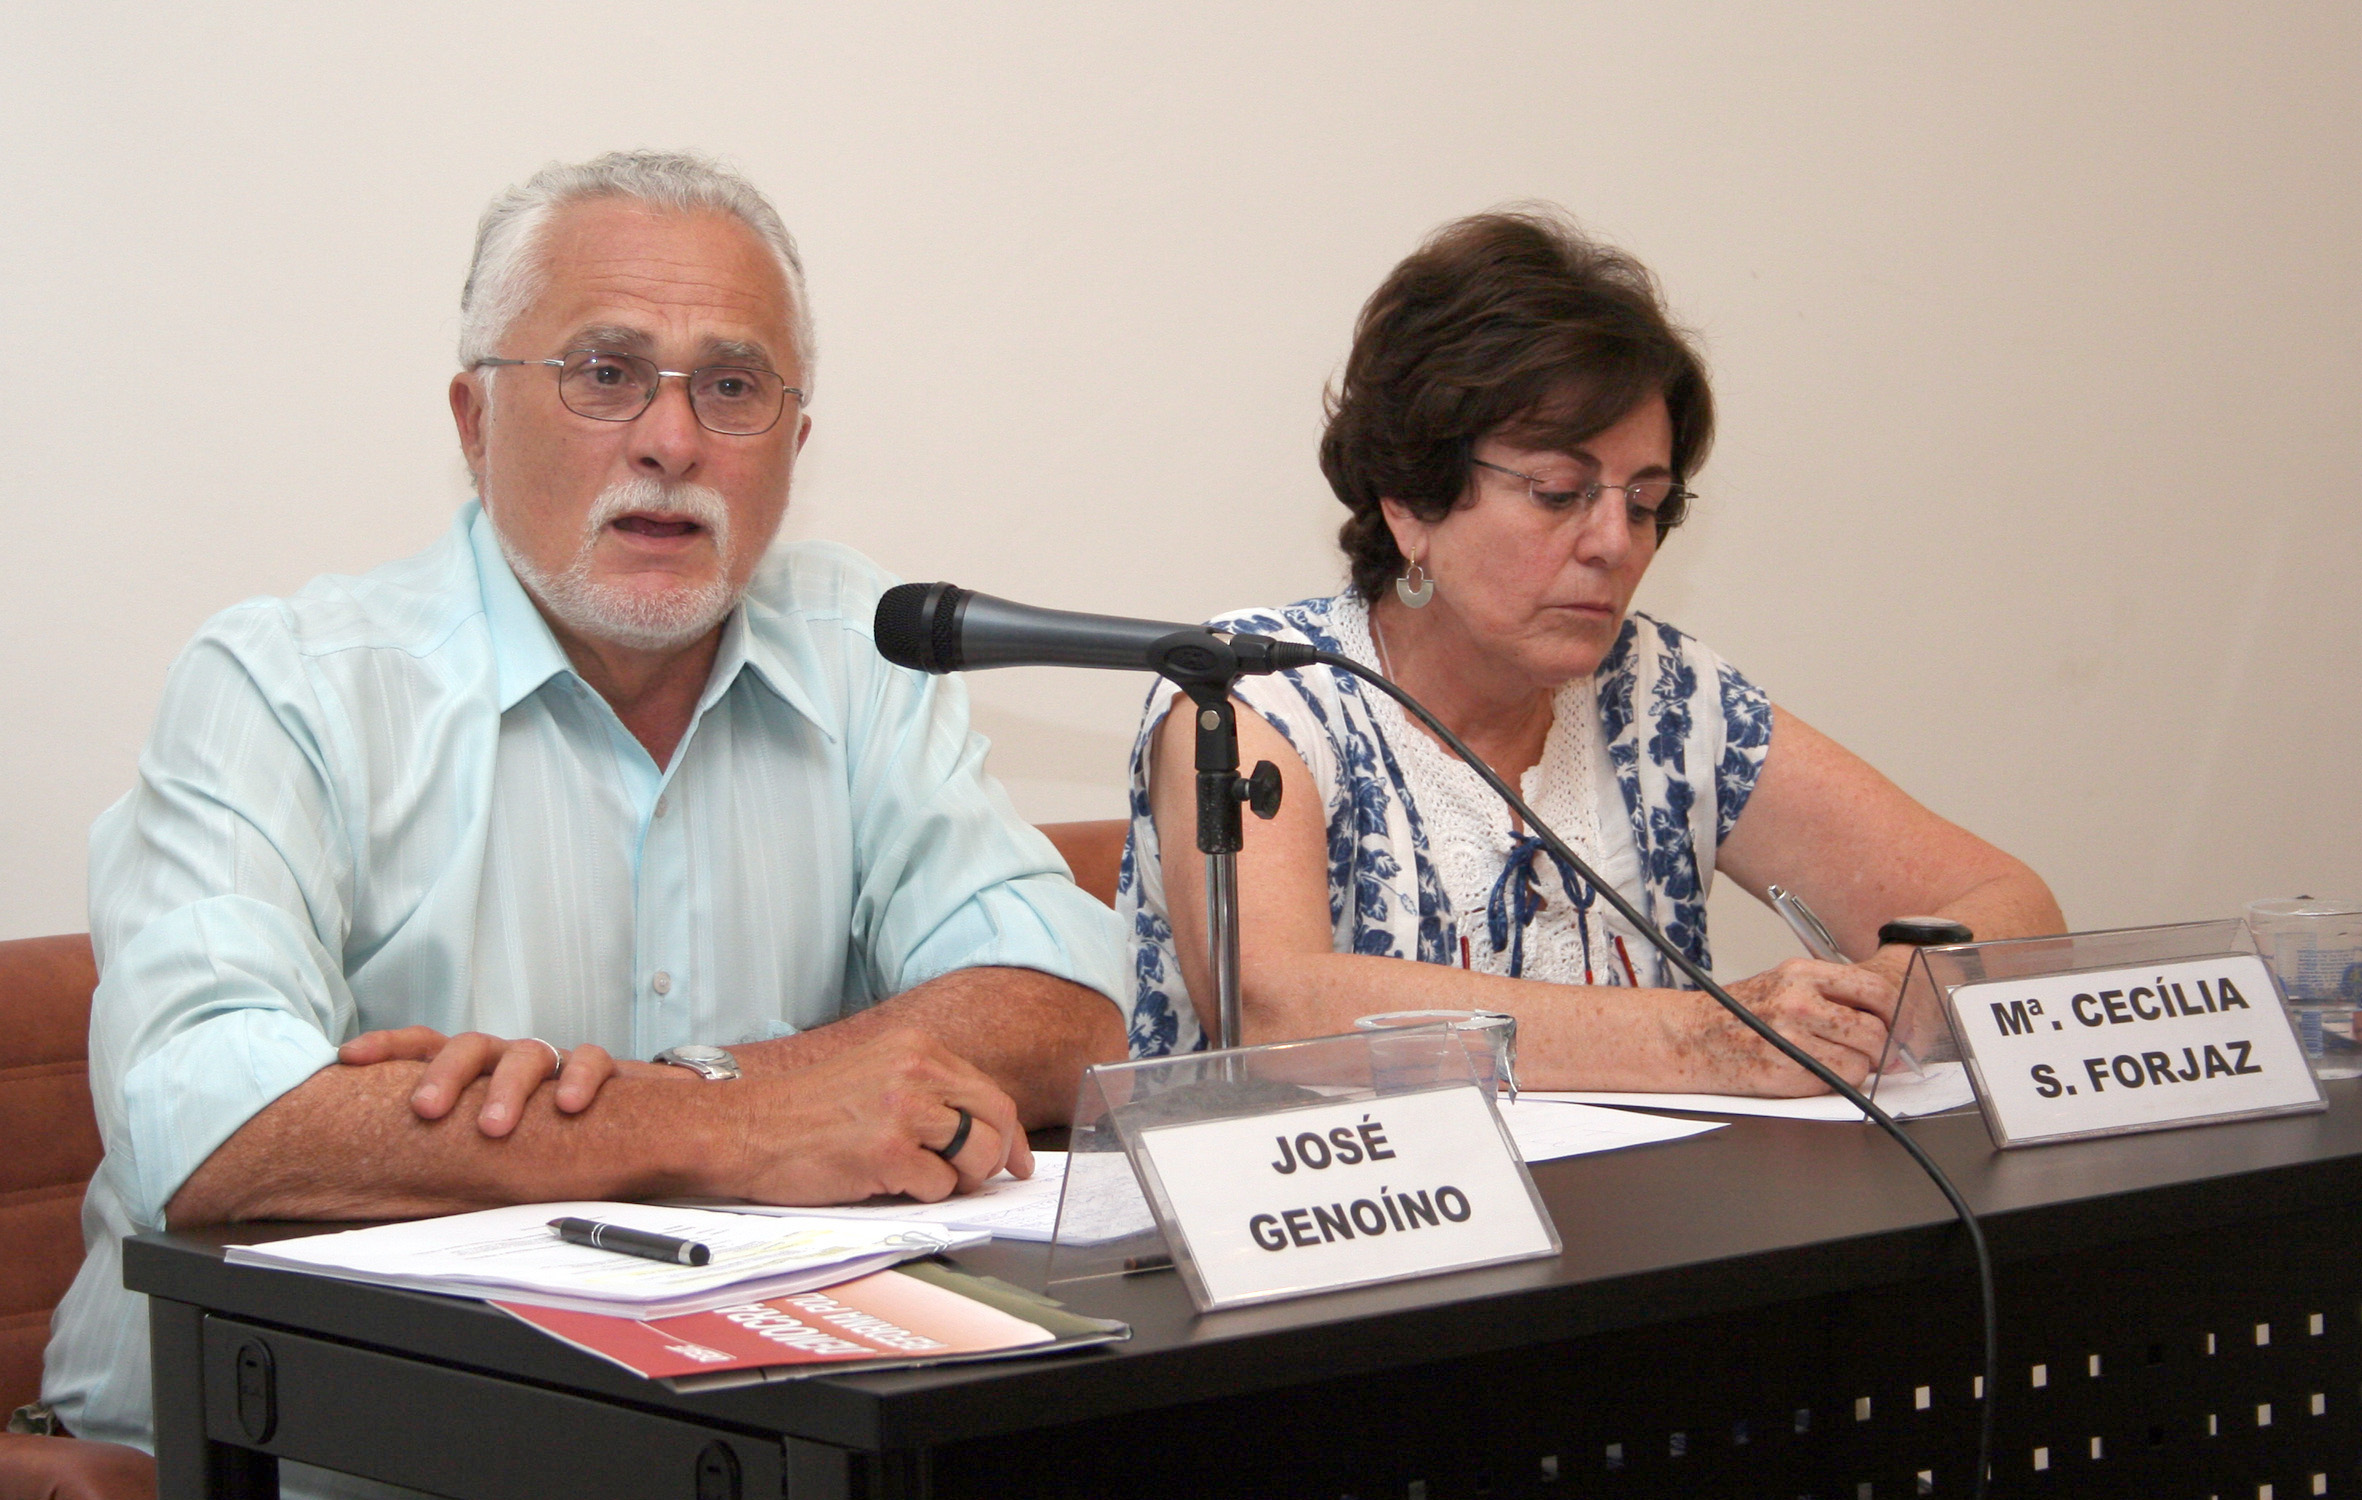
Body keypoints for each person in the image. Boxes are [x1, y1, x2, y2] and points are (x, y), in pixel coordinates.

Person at [42, 151, 1127, 1463]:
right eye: (604, 374)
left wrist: (697, 1090)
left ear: (792, 444)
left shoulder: (862, 649)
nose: (670, 442)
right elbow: (207, 1122)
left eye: (730, 387)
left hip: (713, 1433)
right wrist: (734, 1129)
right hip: (283, 1456)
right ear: (472, 420)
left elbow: (1063, 1000)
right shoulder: (286, 687)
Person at [1120, 209, 2062, 1092]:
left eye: (1645, 502)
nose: (1616, 542)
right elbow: (1276, 1007)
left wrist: (1875, 1003)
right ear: (1409, 500)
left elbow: (2011, 908)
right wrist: (1715, 1038)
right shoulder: (1258, 700)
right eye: (1561, 491)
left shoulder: (1665, 696)